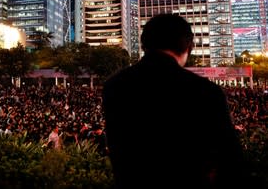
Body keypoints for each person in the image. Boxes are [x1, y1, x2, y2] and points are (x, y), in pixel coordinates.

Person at [103, 14, 249, 188]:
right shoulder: (206, 91)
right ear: (189, 47)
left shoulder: (114, 86)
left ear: (143, 45)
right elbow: (231, 162)